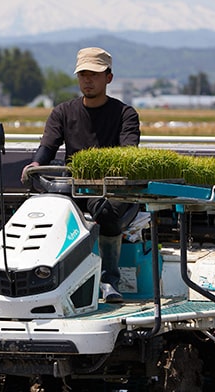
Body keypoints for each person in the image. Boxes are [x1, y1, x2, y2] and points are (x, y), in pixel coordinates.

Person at [22, 47, 141, 303]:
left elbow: (127, 154)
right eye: (83, 74)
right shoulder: (63, 112)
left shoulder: (125, 115)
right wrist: (35, 164)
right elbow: (47, 147)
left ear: (108, 77)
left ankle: (109, 280)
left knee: (107, 211)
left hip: (111, 190)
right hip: (73, 187)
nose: (87, 80)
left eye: (94, 74)